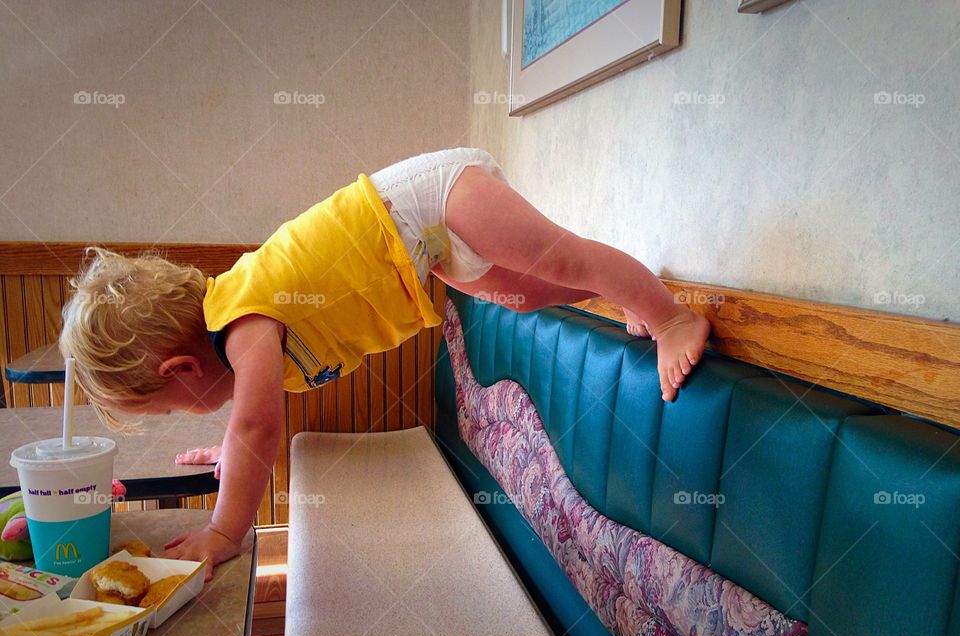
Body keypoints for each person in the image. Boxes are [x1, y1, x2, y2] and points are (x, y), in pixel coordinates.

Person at [59, 147, 709, 577]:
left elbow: (257, 426)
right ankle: (633, 292)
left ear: (181, 369)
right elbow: (245, 429)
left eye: (170, 406)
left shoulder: (242, 318)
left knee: (559, 257)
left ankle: (671, 315)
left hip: (431, 200)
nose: (186, 413)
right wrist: (228, 452)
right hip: (427, 247)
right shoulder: (240, 325)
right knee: (525, 295)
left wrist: (226, 533)